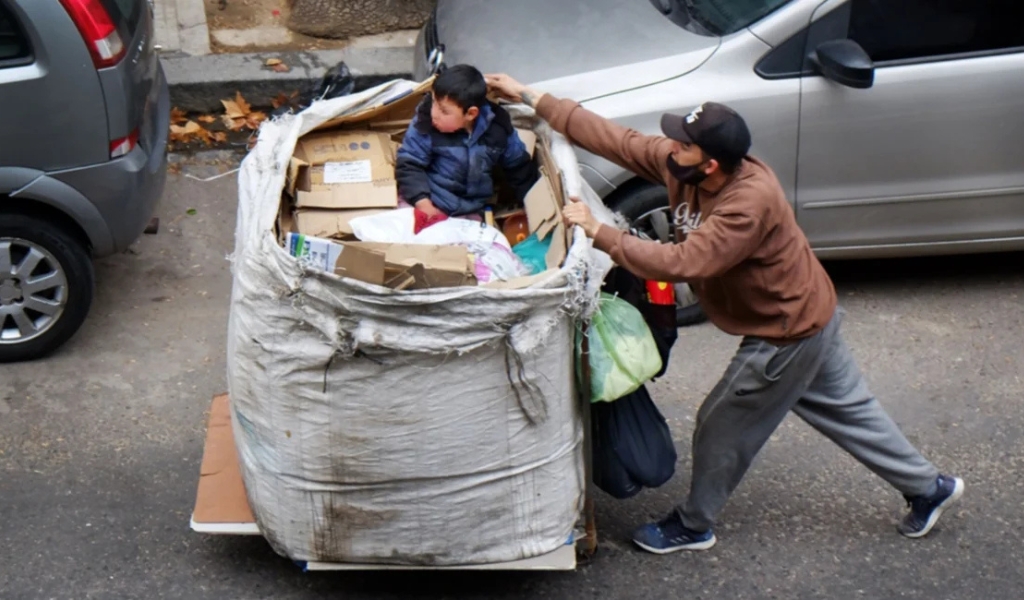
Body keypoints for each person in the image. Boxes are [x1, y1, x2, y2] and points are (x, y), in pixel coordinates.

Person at [485, 73, 964, 555]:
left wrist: (599, 232)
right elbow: (620, 140)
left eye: (683, 144)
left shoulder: (747, 204)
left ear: (711, 164)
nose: (670, 147)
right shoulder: (685, 166)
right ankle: (930, 488)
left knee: (720, 425)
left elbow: (683, 262)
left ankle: (694, 525)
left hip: (785, 331)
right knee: (851, 412)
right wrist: (529, 95)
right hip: (811, 313)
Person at [395, 65, 538, 232]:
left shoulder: (498, 128)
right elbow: (409, 164)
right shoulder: (425, 121)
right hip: (429, 202)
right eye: (434, 102)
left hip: (470, 211)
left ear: (470, 114)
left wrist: (531, 206)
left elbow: (519, 168)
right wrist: (423, 204)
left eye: (443, 111)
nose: (434, 113)